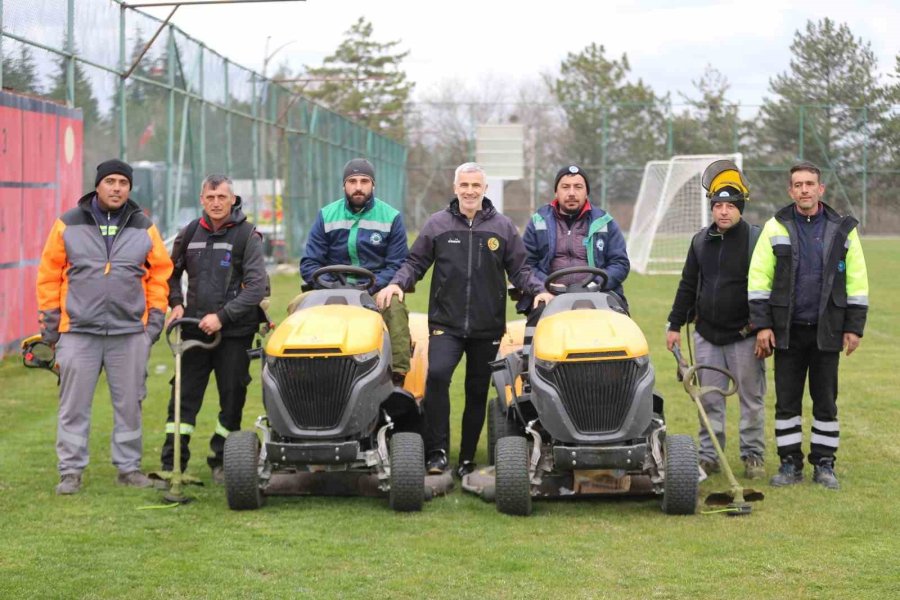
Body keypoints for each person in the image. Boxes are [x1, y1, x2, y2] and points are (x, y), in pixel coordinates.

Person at [376, 162, 552, 478]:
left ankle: (468, 458)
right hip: (446, 323)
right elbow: (414, 263)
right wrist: (395, 284)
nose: (470, 191)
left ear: (484, 190)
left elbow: (521, 270)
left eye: (476, 186)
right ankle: (437, 452)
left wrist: (538, 290)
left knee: (476, 390)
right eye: (464, 185)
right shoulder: (437, 224)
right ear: (455, 188)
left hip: (487, 326)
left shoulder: (502, 227)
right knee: (438, 377)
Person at [37, 158, 173, 495]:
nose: (116, 188)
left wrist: (153, 325)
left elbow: (160, 275)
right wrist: (51, 329)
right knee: (73, 406)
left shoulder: (144, 227)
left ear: (130, 188)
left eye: (123, 183)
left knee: (130, 405)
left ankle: (128, 469)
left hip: (129, 334)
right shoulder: (67, 224)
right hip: (78, 332)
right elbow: (49, 276)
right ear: (97, 185)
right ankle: (70, 472)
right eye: (110, 181)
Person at [749, 161, 869, 490]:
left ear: (821, 189)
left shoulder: (842, 228)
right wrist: (762, 324)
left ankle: (825, 464)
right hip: (787, 330)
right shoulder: (775, 227)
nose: (804, 189)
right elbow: (759, 279)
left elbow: (857, 280)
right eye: (798, 184)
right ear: (790, 190)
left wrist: (854, 327)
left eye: (810, 184)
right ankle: (789, 464)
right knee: (787, 402)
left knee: (825, 401)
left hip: (827, 329)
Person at [159, 174, 267, 484]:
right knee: (182, 398)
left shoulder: (247, 236)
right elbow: (169, 273)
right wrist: (176, 303)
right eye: (210, 197)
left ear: (233, 199)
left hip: (233, 332)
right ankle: (172, 462)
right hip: (193, 329)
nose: (216, 203)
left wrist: (222, 317)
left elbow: (256, 288)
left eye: (222, 197)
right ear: (202, 199)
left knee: (231, 398)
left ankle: (221, 459)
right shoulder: (190, 232)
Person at [665, 160, 766, 479]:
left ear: (740, 208)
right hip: (706, 335)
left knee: (751, 400)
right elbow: (687, 284)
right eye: (718, 205)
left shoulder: (756, 240)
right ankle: (709, 455)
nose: (723, 211)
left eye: (730, 206)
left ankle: (753, 455)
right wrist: (674, 324)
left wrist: (764, 327)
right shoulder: (699, 242)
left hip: (745, 336)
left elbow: (769, 288)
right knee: (709, 400)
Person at [300, 158, 411, 383]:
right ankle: (299, 371)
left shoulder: (391, 217)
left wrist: (374, 285)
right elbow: (310, 263)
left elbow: (397, 263)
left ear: (373, 185)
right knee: (297, 307)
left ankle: (398, 375)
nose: (358, 186)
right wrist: (333, 285)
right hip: (331, 288)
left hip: (374, 288)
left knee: (395, 306)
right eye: (352, 181)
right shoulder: (326, 215)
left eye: (364, 181)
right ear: (344, 185)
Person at [520, 164, 630, 312]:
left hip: (599, 294)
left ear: (586, 193)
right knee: (535, 325)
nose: (571, 193)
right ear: (556, 192)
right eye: (565, 187)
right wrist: (546, 285)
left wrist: (596, 284)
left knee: (620, 326)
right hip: (551, 295)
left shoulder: (605, 222)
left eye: (578, 187)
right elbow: (526, 265)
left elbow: (620, 263)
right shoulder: (538, 221)